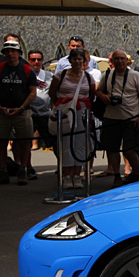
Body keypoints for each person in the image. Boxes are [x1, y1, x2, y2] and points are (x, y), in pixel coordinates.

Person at [0, 40, 38, 186]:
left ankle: (23, 170)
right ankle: (2, 171)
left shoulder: (27, 70)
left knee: (24, 142)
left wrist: (22, 107)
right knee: (1, 142)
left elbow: (32, 92)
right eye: (7, 51)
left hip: (22, 112)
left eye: (13, 51)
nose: (10, 54)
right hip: (2, 111)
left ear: (19, 53)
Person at [48, 47, 96, 189]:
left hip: (82, 112)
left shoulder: (88, 77)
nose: (77, 61)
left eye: (80, 59)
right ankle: (67, 176)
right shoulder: (61, 75)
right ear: (70, 60)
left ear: (84, 61)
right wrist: (64, 104)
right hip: (65, 111)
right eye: (74, 59)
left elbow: (91, 95)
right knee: (66, 143)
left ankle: (77, 175)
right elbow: (52, 93)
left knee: (80, 143)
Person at [97, 49, 139, 187]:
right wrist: (104, 97)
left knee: (130, 149)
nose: (120, 62)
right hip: (111, 117)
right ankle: (117, 175)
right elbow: (98, 90)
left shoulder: (135, 76)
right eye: (116, 59)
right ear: (112, 61)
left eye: (122, 59)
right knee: (112, 148)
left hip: (131, 117)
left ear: (127, 60)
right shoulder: (107, 75)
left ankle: (136, 174)